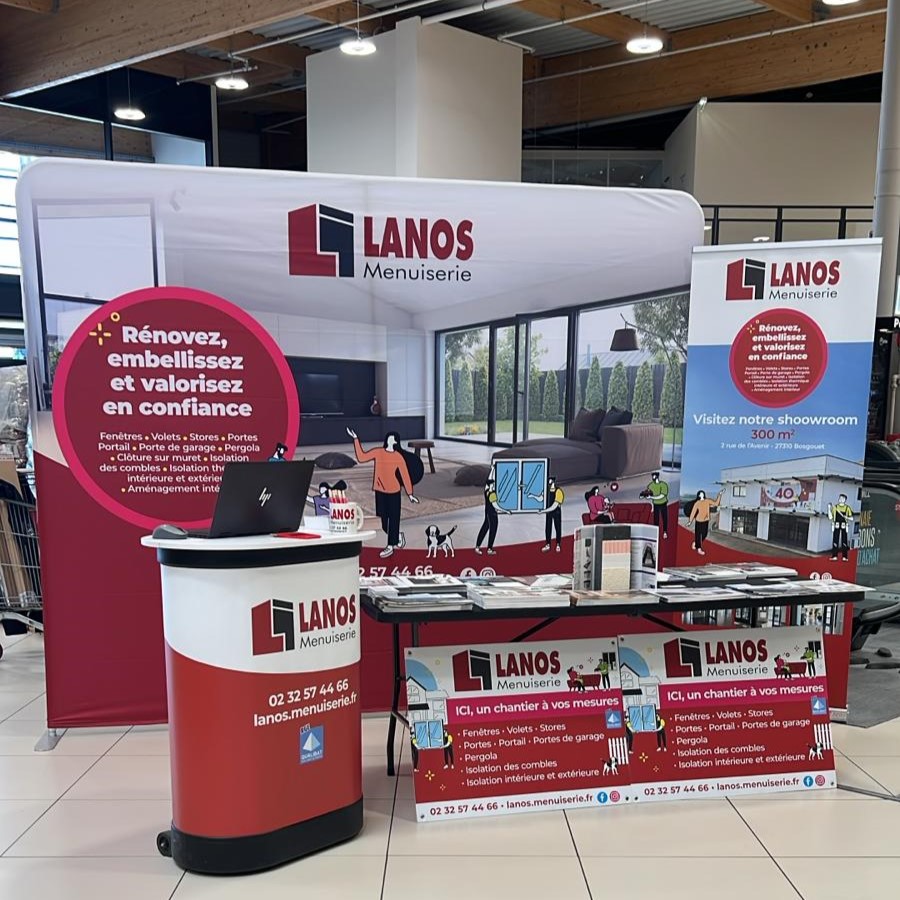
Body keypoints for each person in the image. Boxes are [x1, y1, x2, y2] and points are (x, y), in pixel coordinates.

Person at [348, 428, 419, 558]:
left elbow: (405, 476)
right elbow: (362, 457)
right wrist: (355, 439)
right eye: (389, 437)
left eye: (393, 438)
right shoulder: (378, 452)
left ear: (396, 441)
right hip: (380, 491)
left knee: (394, 519)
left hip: (394, 492)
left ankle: (390, 546)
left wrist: (410, 494)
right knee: (382, 521)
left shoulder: (398, 457)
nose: (390, 439)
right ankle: (397, 536)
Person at [476, 469, 509, 555]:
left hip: (487, 512)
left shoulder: (486, 491)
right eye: (493, 484)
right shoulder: (491, 493)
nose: (494, 485)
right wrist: (506, 511)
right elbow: (496, 506)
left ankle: (477, 546)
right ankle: (489, 549)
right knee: (493, 530)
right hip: (492, 514)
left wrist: (493, 469)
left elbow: (491, 477)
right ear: (491, 485)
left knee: (484, 528)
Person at [688, 489, 723, 555]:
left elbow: (716, 503)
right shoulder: (697, 503)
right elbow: (693, 512)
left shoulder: (707, 501)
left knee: (704, 534)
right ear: (698, 495)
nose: (702, 494)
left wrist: (719, 495)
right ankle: (699, 549)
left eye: (702, 493)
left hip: (706, 520)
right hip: (698, 520)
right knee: (698, 535)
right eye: (700, 493)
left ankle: (696, 543)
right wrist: (690, 521)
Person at [540, 475, 565, 553]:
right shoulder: (547, 491)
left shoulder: (558, 491)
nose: (548, 482)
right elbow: (541, 498)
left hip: (556, 512)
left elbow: (555, 505)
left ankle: (558, 544)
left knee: (557, 528)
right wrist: (532, 496)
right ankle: (548, 544)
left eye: (550, 480)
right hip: (549, 512)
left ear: (553, 481)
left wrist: (543, 511)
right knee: (548, 527)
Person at [643, 472, 670, 538]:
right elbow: (648, 492)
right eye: (652, 476)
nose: (653, 478)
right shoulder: (651, 485)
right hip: (655, 504)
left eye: (654, 476)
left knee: (664, 518)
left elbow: (662, 496)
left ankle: (665, 532)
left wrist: (651, 497)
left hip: (663, 503)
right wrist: (644, 495)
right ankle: (656, 532)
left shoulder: (663, 485)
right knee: (656, 519)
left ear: (657, 476)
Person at [829, 494, 854, 561]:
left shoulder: (847, 508)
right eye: (840, 498)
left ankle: (844, 557)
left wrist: (847, 517)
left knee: (844, 541)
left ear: (845, 500)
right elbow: (831, 517)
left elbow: (852, 518)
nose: (840, 499)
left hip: (844, 525)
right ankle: (834, 556)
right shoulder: (835, 507)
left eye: (842, 498)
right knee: (835, 540)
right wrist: (829, 508)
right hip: (836, 525)